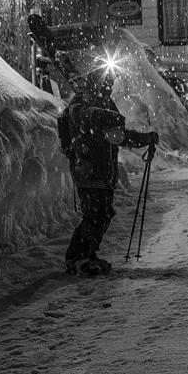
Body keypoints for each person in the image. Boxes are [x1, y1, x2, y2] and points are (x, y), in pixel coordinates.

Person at [63, 67, 158, 276]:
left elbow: (119, 135)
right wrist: (104, 116)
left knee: (103, 214)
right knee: (94, 215)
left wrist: (145, 139)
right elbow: (84, 116)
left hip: (104, 171)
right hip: (88, 169)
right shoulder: (81, 102)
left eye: (111, 83)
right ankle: (77, 258)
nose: (110, 86)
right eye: (107, 82)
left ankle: (87, 254)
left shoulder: (106, 103)